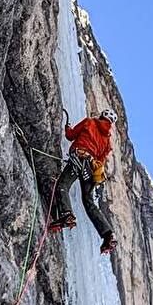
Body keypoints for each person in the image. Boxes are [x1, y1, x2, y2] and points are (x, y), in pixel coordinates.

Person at [49, 108, 118, 255]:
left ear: (101, 116)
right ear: (111, 123)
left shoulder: (89, 122)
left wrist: (67, 128)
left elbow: (70, 135)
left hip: (79, 158)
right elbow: (101, 161)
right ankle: (107, 235)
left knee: (62, 186)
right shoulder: (107, 141)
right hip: (92, 169)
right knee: (89, 202)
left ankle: (66, 215)